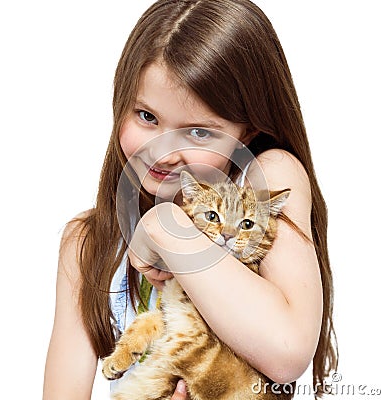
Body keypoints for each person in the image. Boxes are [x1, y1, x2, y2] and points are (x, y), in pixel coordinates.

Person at [43, 0, 338, 399]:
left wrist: (165, 226)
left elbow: (288, 351)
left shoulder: (264, 181)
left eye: (199, 132)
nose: (162, 152)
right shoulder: (86, 244)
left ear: (246, 134)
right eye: (146, 117)